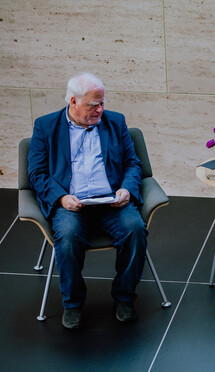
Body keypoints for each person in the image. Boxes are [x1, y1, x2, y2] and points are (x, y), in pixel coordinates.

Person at [28, 72, 147, 329]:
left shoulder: (115, 122)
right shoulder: (46, 126)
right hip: (71, 204)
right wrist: (61, 197)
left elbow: (132, 164)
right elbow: (36, 174)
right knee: (68, 236)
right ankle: (72, 303)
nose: (100, 110)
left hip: (111, 202)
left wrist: (126, 189)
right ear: (73, 102)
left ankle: (125, 298)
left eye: (102, 103)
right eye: (94, 105)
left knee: (135, 229)